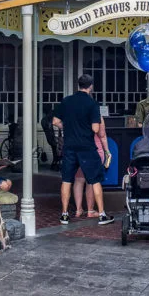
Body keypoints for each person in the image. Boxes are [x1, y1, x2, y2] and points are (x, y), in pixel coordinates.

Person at [53, 75, 114, 226]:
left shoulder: (66, 101)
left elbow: (55, 121)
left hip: (69, 146)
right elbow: (95, 128)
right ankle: (101, 214)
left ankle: (65, 214)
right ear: (91, 86)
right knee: (95, 180)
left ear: (78, 85)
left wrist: (68, 128)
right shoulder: (92, 103)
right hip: (87, 147)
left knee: (67, 179)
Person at [73, 117, 111, 218]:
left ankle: (78, 210)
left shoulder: (76, 114)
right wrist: (107, 151)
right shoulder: (96, 115)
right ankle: (90, 210)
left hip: (78, 151)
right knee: (92, 181)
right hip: (95, 150)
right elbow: (102, 136)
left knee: (79, 180)